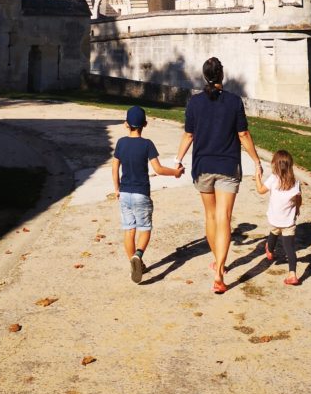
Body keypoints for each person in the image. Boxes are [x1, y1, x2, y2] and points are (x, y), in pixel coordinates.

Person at [174, 57, 262, 294]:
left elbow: (188, 136)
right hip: (227, 166)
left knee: (211, 216)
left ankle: (217, 261)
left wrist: (177, 160)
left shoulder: (194, 103)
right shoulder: (234, 102)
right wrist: (256, 161)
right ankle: (219, 272)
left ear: (204, 76)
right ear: (221, 75)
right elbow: (243, 134)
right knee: (224, 217)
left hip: (203, 166)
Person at [112, 104, 184, 283]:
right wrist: (176, 172)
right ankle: (138, 255)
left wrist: (117, 188)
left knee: (129, 231)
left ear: (126, 124)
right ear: (145, 124)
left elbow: (115, 168)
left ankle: (134, 263)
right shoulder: (147, 144)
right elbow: (158, 169)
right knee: (145, 229)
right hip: (141, 194)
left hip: (125, 193)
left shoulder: (121, 143)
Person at [255, 149, 302, 285]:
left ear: (274, 164)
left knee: (273, 233)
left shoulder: (273, 179)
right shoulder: (295, 183)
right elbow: (299, 200)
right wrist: (297, 209)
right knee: (289, 249)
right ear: (290, 165)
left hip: (275, 219)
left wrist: (257, 177)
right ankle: (292, 274)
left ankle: (269, 250)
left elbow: (260, 190)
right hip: (288, 222)